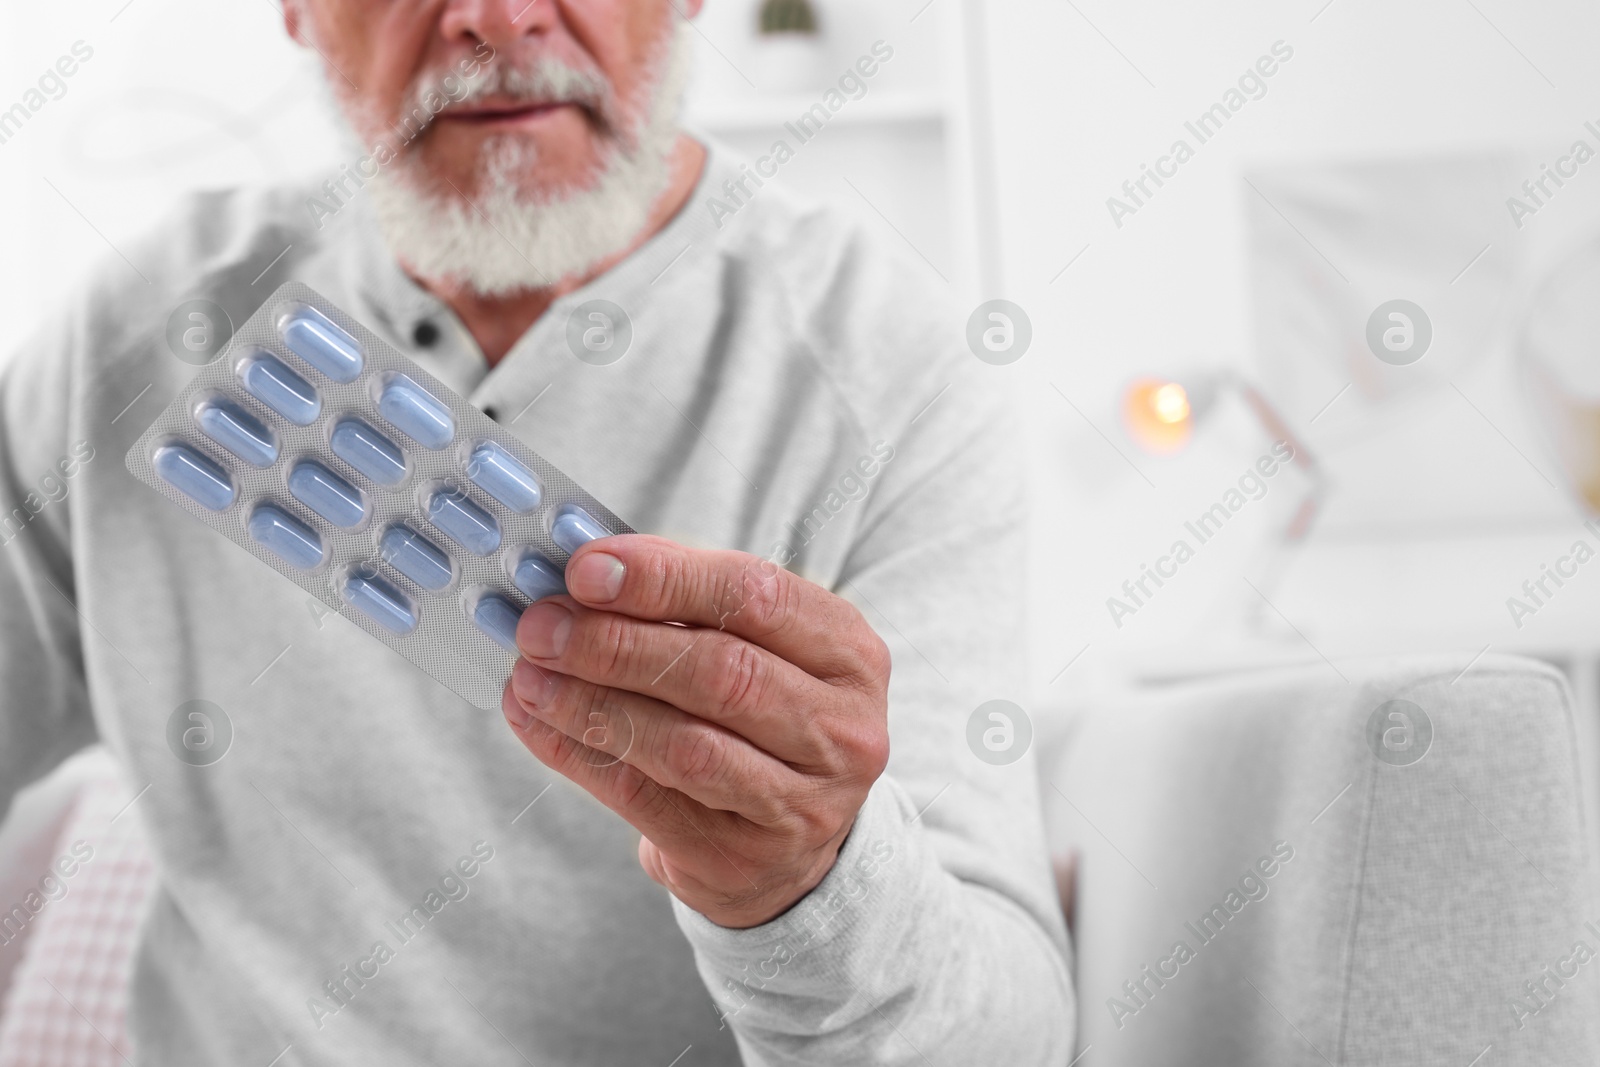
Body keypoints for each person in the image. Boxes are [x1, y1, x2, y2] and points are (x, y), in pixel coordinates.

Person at [0, 1, 1073, 1062]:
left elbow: (1002, 1036)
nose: (500, 18)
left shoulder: (894, 377)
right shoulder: (131, 338)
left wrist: (805, 887)